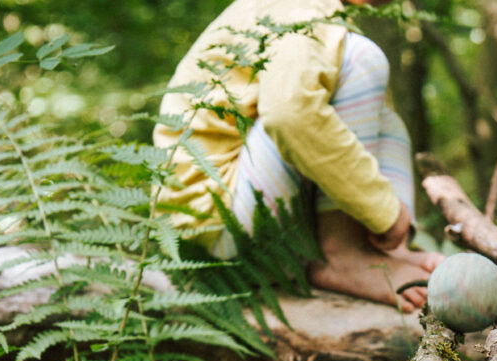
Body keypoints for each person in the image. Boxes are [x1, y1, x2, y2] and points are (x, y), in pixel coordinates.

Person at [154, 0, 443, 312]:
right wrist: (384, 210)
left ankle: (387, 250)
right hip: (215, 232)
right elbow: (289, 115)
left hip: (222, 220)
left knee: (386, 121)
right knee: (361, 57)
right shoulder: (299, 10)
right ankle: (344, 256)